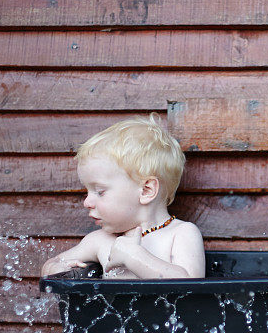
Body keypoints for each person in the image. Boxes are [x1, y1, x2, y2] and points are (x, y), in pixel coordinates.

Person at [41, 114, 204, 279]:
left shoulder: (181, 234)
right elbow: (51, 265)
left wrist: (134, 256)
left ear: (146, 190)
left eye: (100, 191)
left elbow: (191, 286)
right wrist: (56, 268)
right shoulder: (99, 241)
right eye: (87, 192)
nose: (87, 202)